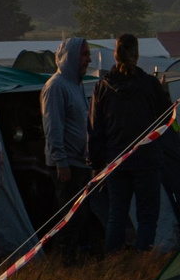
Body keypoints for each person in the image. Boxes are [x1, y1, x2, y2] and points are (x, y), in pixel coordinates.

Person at [89, 33, 174, 250]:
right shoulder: (150, 85)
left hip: (116, 162)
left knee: (116, 215)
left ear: (115, 55)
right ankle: (141, 264)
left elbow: (95, 130)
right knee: (147, 218)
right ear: (136, 54)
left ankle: (114, 264)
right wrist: (165, 94)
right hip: (147, 162)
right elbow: (166, 120)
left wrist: (96, 165)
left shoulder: (102, 88)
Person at [43, 36, 93, 248]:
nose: (88, 60)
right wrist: (61, 162)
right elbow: (53, 127)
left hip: (80, 162)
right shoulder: (56, 87)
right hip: (66, 165)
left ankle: (73, 256)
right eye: (84, 54)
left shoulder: (76, 85)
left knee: (80, 215)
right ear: (71, 56)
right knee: (70, 216)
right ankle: (64, 259)